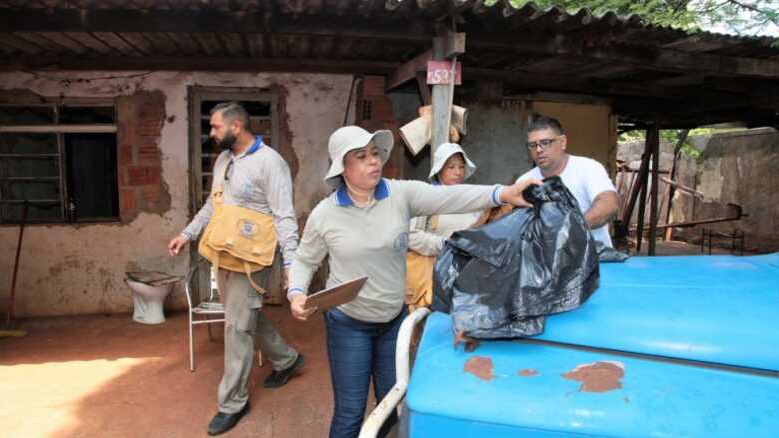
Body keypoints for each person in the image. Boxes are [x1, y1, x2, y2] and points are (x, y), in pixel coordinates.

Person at [287, 125, 541, 438]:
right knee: (350, 413)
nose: (373, 161)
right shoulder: (325, 214)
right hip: (349, 324)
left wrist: (502, 193)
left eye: (375, 153)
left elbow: (448, 197)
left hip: (393, 321)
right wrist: (296, 292)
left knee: (391, 405)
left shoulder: (400, 194)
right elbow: (304, 260)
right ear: (343, 168)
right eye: (361, 156)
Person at [167, 102, 304, 436]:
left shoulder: (271, 163)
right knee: (244, 317)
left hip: (252, 259)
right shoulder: (224, 160)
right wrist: (187, 234)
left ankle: (233, 402)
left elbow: (285, 216)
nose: (211, 133)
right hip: (224, 254)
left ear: (237, 126)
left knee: (237, 328)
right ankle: (287, 360)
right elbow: (213, 205)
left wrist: (292, 265)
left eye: (215, 127)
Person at [405, 142, 487, 310]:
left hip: (466, 275)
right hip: (434, 275)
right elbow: (412, 236)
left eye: (461, 167)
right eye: (451, 167)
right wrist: (446, 244)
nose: (457, 172)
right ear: (439, 169)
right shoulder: (427, 198)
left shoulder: (472, 199)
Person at [517, 114, 619, 247]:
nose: (539, 150)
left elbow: (609, 203)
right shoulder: (524, 181)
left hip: (595, 259)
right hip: (546, 263)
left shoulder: (588, 168)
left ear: (563, 142)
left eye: (545, 143)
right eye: (532, 145)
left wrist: (571, 228)